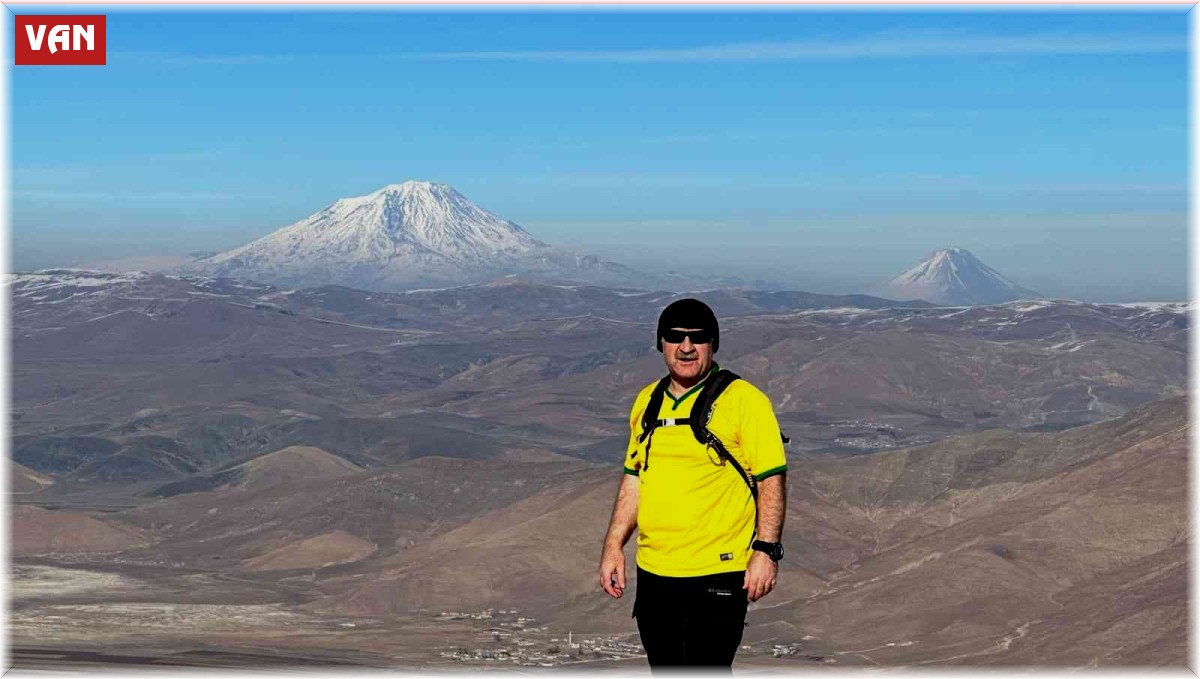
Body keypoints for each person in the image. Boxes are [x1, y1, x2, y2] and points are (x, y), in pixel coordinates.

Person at [599, 297, 788, 671]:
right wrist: (613, 545)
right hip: (655, 576)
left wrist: (765, 551)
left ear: (713, 344)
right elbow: (635, 478)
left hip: (716, 575)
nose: (686, 347)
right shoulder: (647, 402)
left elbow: (771, 478)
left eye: (698, 337)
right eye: (676, 337)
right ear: (661, 343)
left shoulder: (744, 401)